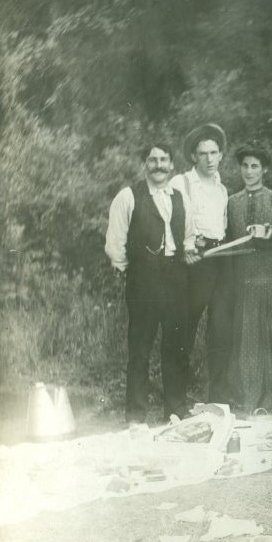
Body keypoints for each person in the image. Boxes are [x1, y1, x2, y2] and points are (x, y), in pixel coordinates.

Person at [104, 143, 195, 423]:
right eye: (152, 160)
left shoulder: (180, 197)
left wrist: (188, 250)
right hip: (143, 280)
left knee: (176, 346)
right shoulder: (128, 196)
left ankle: (176, 411)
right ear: (145, 164)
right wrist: (134, 268)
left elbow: (189, 234)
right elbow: (114, 244)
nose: (158, 165)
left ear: (171, 165)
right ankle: (136, 416)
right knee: (140, 349)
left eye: (163, 160)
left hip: (176, 278)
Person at [225, 144, 272, 414]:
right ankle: (249, 399)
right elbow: (229, 244)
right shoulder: (232, 203)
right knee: (247, 338)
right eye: (245, 166)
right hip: (245, 280)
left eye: (255, 166)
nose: (249, 171)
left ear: (264, 169)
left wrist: (270, 234)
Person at [170, 123, 233, 402]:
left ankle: (218, 400)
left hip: (220, 262)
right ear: (193, 156)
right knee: (183, 331)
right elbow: (169, 223)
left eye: (214, 152)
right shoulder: (180, 183)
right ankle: (176, 402)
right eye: (203, 153)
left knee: (220, 330)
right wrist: (185, 248)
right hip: (193, 263)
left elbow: (222, 226)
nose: (209, 159)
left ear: (221, 155)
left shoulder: (222, 189)